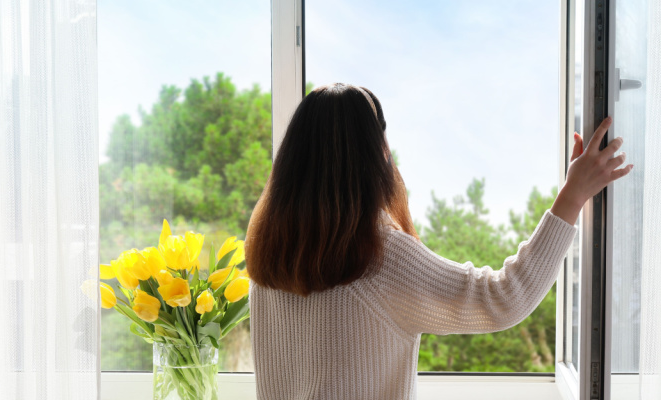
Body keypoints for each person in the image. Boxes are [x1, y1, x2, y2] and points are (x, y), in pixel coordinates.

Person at [245, 83, 632, 399]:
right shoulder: (378, 257)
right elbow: (504, 297)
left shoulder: (271, 257)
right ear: (372, 158)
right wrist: (573, 196)